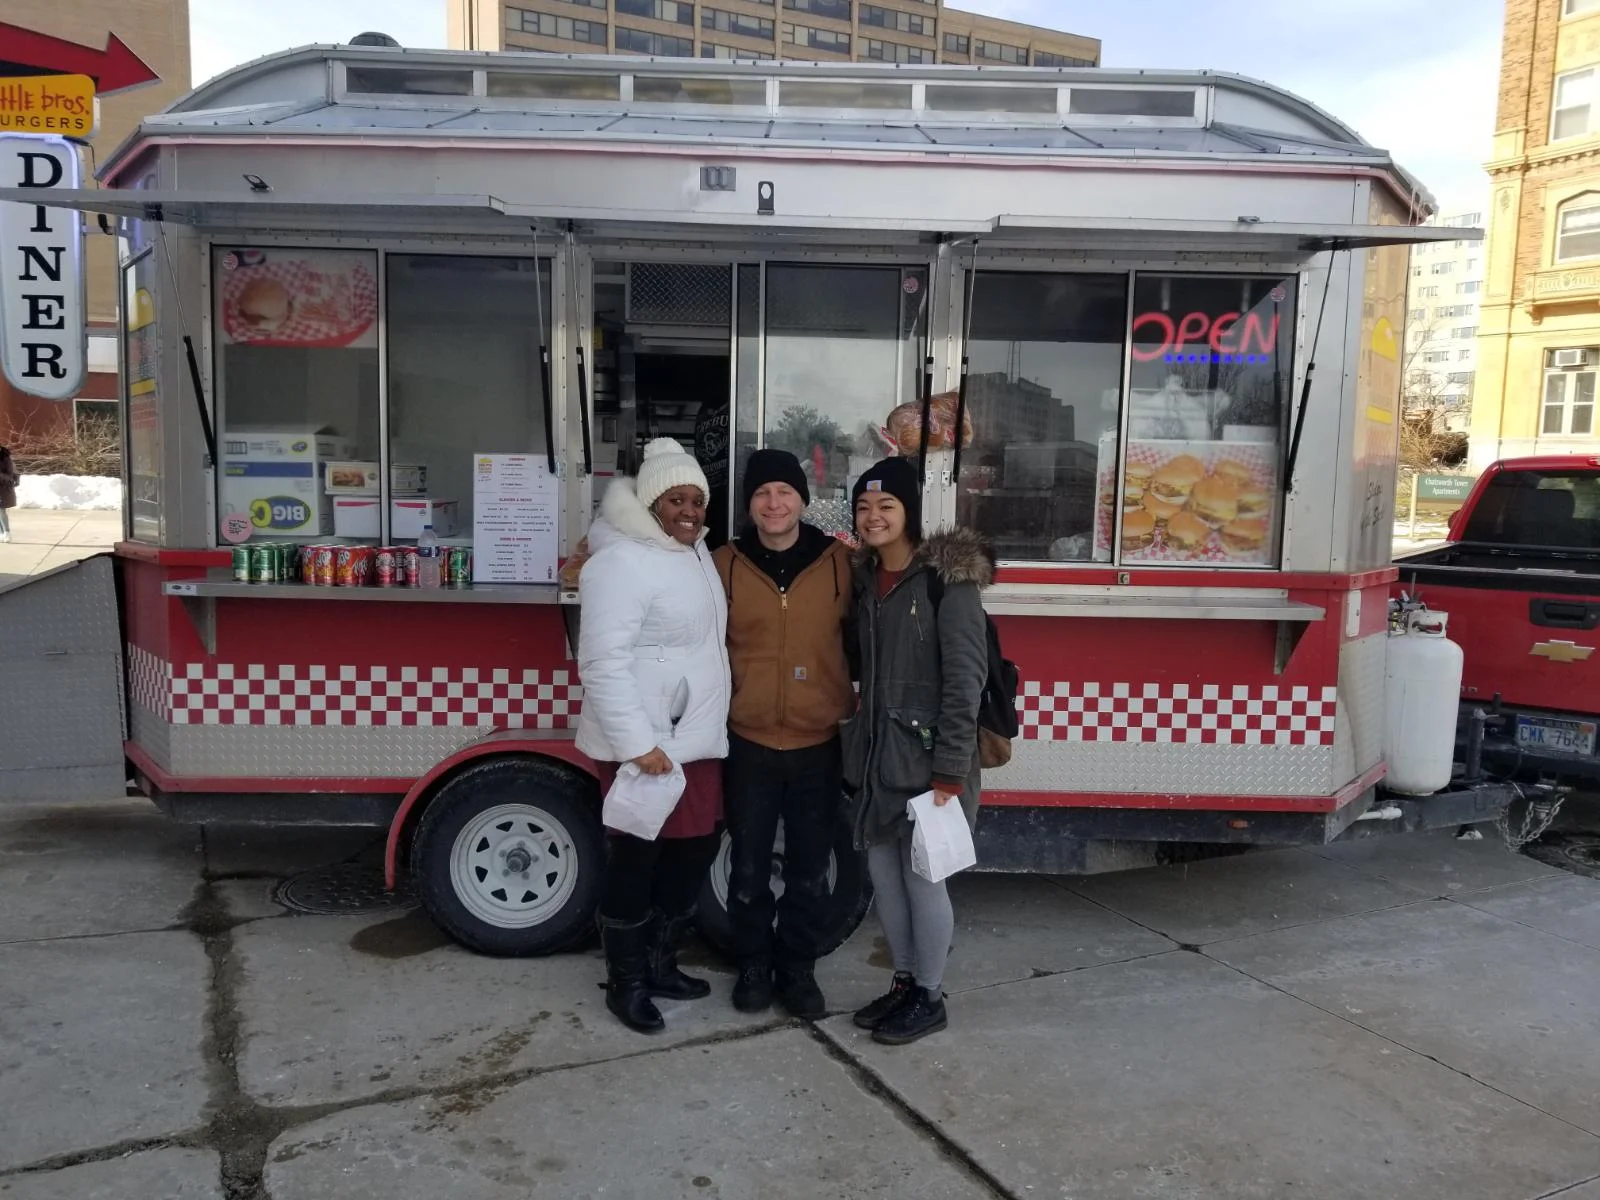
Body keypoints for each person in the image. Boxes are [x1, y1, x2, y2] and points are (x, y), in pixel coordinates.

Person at [575, 437, 731, 1034]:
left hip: (695, 741)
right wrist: (638, 743)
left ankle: (662, 962)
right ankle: (627, 981)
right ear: (650, 504)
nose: (689, 510)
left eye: (697, 499)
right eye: (675, 499)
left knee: (692, 852)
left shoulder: (692, 553)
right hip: (645, 746)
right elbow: (602, 662)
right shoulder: (619, 561)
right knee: (637, 859)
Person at [843, 456, 992, 1046]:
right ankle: (904, 983)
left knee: (923, 879)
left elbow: (966, 681)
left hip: (930, 761)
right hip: (879, 757)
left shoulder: (947, 584)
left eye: (886, 505)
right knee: (884, 875)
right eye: (863, 506)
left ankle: (930, 994)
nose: (873, 516)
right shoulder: (865, 581)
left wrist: (951, 771)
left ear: (909, 513)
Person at [712, 449, 854, 1018]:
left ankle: (797, 970)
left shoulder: (842, 564)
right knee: (746, 869)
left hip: (818, 743)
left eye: (785, 492)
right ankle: (752, 964)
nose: (774, 503)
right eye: (763, 493)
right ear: (750, 503)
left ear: (802, 499)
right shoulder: (720, 563)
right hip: (746, 741)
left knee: (809, 870)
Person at [0, 446, 17, 544]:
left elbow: (10, 476)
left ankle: (7, 532)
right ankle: (1, 533)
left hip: (4, 488)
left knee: (1, 510)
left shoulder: (5, 458)